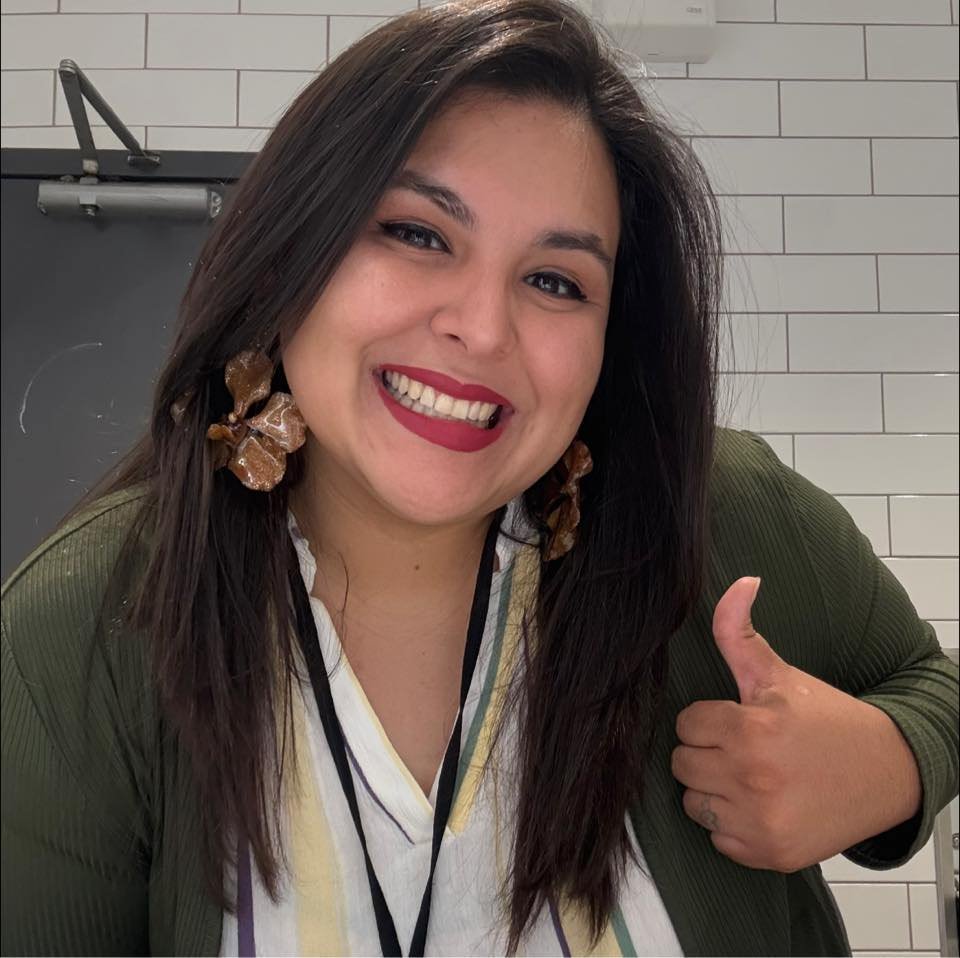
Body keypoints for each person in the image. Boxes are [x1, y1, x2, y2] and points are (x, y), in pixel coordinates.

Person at [2, 0, 957, 955]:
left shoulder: (711, 513)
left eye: (556, 280)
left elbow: (934, 687)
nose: (484, 329)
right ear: (288, 254)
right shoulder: (82, 628)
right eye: (418, 233)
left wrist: (891, 763)